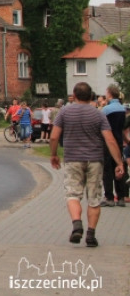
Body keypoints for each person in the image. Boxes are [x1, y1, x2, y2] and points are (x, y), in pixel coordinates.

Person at [49, 82, 125, 248]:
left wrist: (54, 154)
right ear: (91, 96)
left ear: (74, 95)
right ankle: (91, 235)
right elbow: (110, 140)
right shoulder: (98, 114)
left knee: (72, 194)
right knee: (94, 198)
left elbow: (54, 137)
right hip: (95, 160)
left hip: (73, 159)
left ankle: (77, 224)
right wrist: (119, 162)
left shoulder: (64, 112)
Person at [100, 84, 128, 207]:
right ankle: (121, 197)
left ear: (110, 94)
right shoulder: (122, 108)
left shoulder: (106, 109)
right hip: (119, 141)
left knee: (107, 170)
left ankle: (109, 197)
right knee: (120, 168)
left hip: (108, 142)